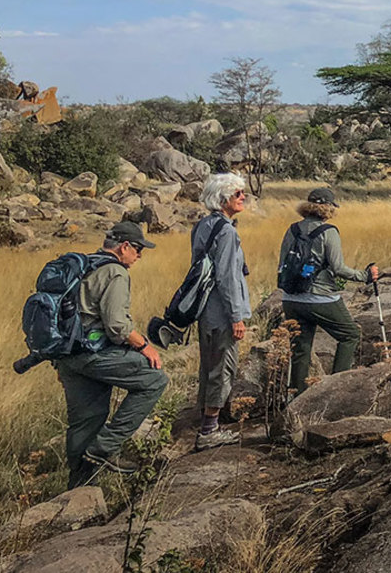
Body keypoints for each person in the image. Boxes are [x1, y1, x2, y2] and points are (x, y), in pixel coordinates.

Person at [54, 221, 168, 487]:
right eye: (138, 249)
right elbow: (117, 326)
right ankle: (105, 448)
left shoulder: (83, 265)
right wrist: (144, 346)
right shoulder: (115, 272)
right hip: (94, 354)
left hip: (68, 356)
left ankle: (79, 487)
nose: (140, 255)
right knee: (155, 380)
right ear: (124, 246)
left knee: (85, 420)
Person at [279, 188, 379, 395]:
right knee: (350, 335)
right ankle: (335, 391)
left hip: (290, 298)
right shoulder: (328, 232)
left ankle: (295, 398)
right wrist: (365, 276)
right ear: (328, 208)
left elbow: (283, 263)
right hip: (320, 298)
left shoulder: (292, 229)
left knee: (300, 346)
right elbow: (338, 268)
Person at [190, 173, 251, 451]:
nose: (243, 197)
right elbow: (227, 277)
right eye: (238, 193)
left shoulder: (203, 225)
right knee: (223, 368)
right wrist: (236, 316)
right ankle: (209, 431)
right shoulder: (226, 231)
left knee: (209, 365)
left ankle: (205, 417)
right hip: (221, 313)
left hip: (205, 311)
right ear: (224, 198)